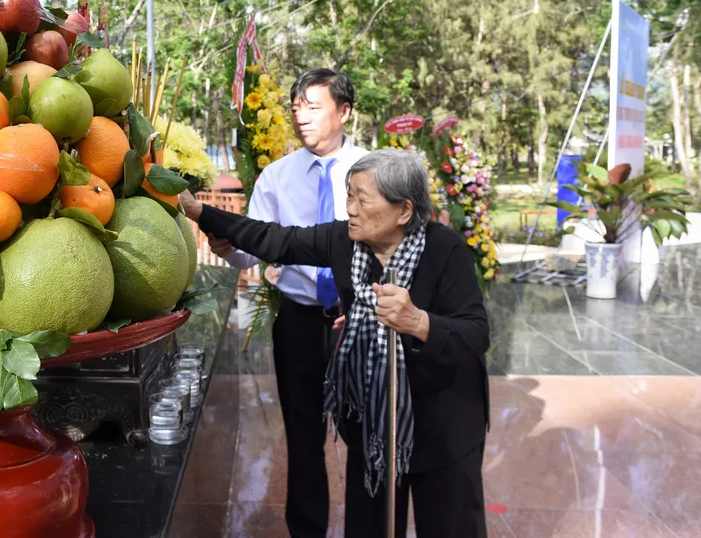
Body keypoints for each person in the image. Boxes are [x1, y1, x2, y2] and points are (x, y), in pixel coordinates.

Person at [180, 149, 490, 538]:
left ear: (404, 211)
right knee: (368, 527)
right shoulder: (343, 240)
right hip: (372, 422)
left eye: (363, 198)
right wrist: (199, 212)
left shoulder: (445, 250)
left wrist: (418, 321)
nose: (352, 208)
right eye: (349, 195)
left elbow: (476, 333)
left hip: (442, 423)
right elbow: (277, 240)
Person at [215, 68, 366, 537]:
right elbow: (255, 245)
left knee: (364, 438)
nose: (302, 117)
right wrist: (227, 245)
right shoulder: (277, 176)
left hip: (359, 323)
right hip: (298, 323)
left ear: (344, 112)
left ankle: (368, 527)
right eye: (297, 107)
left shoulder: (372, 171)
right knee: (303, 439)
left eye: (313, 106)